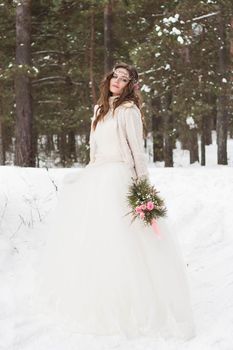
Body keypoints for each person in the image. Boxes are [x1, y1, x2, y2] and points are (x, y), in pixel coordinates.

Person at [31, 62, 196, 340]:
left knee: (126, 240)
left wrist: (142, 187)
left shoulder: (129, 111)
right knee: (95, 240)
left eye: (124, 78)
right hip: (98, 177)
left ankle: (136, 302)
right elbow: (95, 152)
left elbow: (136, 151)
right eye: (115, 76)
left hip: (120, 177)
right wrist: (87, 174)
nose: (117, 81)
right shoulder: (99, 111)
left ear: (131, 85)